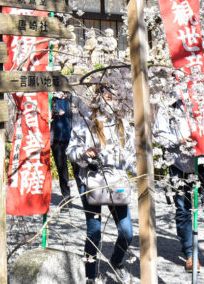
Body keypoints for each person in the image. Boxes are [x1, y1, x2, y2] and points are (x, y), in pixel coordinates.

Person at [153, 95, 204, 271]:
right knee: (183, 210)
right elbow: (159, 135)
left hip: (203, 162)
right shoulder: (168, 106)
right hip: (179, 164)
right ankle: (189, 253)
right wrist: (179, 141)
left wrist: (203, 143)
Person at [68, 93, 135, 280]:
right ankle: (91, 275)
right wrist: (84, 152)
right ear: (98, 96)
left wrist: (142, 171)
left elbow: (131, 156)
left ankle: (117, 260)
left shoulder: (123, 123)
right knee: (94, 231)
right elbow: (70, 150)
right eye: (106, 93)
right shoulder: (86, 120)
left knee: (126, 231)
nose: (110, 98)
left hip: (117, 182)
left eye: (114, 94)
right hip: (92, 181)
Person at [50, 91, 80, 203]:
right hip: (57, 140)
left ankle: (85, 198)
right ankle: (66, 198)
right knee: (62, 169)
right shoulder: (51, 100)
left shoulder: (74, 100)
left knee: (77, 170)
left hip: (73, 139)